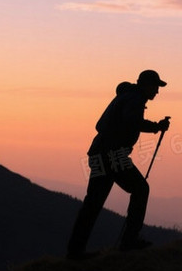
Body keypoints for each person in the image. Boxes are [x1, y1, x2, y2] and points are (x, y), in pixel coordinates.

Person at [66, 70, 171, 260]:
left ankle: (75, 252)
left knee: (92, 204)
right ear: (145, 85)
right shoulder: (135, 99)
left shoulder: (126, 96)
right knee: (141, 189)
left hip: (99, 153)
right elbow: (132, 121)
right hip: (113, 155)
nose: (157, 91)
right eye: (155, 86)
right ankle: (129, 241)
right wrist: (156, 127)